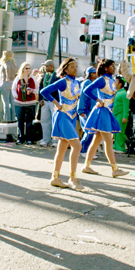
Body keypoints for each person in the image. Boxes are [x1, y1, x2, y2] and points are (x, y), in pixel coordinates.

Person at [40, 58, 83, 190]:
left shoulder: (77, 82)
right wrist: (56, 103)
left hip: (71, 117)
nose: (75, 69)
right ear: (65, 69)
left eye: (76, 66)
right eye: (72, 67)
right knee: (77, 146)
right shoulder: (63, 82)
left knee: (62, 149)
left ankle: (55, 177)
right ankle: (73, 178)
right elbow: (44, 91)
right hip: (63, 115)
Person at [82, 59, 129, 177]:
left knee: (96, 141)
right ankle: (114, 169)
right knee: (108, 141)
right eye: (112, 66)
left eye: (114, 66)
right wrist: (98, 100)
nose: (114, 67)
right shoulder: (101, 80)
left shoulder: (112, 80)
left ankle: (86, 166)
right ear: (106, 68)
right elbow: (86, 90)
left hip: (107, 112)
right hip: (102, 111)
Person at [11, 62, 38, 144]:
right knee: (20, 121)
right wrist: (15, 95)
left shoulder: (33, 78)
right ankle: (20, 138)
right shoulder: (18, 78)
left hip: (31, 102)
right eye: (26, 68)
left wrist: (32, 91)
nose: (28, 70)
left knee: (29, 121)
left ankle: (29, 139)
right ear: (22, 69)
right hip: (19, 102)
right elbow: (13, 89)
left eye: (29, 68)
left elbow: (37, 89)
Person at [77, 66, 98, 158]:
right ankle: (83, 150)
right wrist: (81, 110)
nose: (95, 74)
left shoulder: (96, 83)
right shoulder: (86, 83)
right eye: (93, 73)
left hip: (94, 111)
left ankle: (89, 151)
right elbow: (82, 98)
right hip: (86, 111)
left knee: (93, 132)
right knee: (88, 131)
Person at [38, 59, 59, 147]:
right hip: (45, 101)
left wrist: (57, 102)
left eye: (46, 66)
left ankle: (55, 141)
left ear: (51, 67)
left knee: (55, 121)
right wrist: (40, 99)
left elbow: (58, 90)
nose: (45, 68)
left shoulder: (57, 76)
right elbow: (41, 88)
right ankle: (46, 140)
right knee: (45, 121)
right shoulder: (45, 75)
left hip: (53, 101)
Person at [0, 51, 17, 121]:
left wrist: (7, 77)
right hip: (13, 82)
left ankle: (7, 118)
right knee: (12, 102)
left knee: (5, 102)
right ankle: (13, 118)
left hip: (6, 82)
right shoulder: (14, 64)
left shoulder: (5, 63)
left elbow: (7, 67)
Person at [113, 76, 130, 154]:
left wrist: (125, 116)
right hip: (116, 115)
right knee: (115, 132)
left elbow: (126, 106)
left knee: (120, 132)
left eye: (116, 82)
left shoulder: (124, 93)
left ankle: (121, 147)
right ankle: (115, 146)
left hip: (121, 115)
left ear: (120, 84)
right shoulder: (117, 92)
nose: (114, 83)